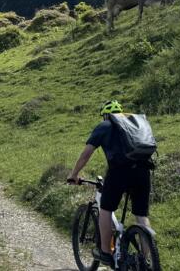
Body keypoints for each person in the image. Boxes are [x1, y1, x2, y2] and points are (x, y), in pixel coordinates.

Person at [66, 100, 153, 266]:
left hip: (119, 172)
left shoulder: (105, 126)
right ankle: (145, 259)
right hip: (143, 171)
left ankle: (105, 252)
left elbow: (86, 154)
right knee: (141, 215)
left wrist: (74, 174)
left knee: (105, 210)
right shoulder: (134, 125)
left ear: (106, 115)